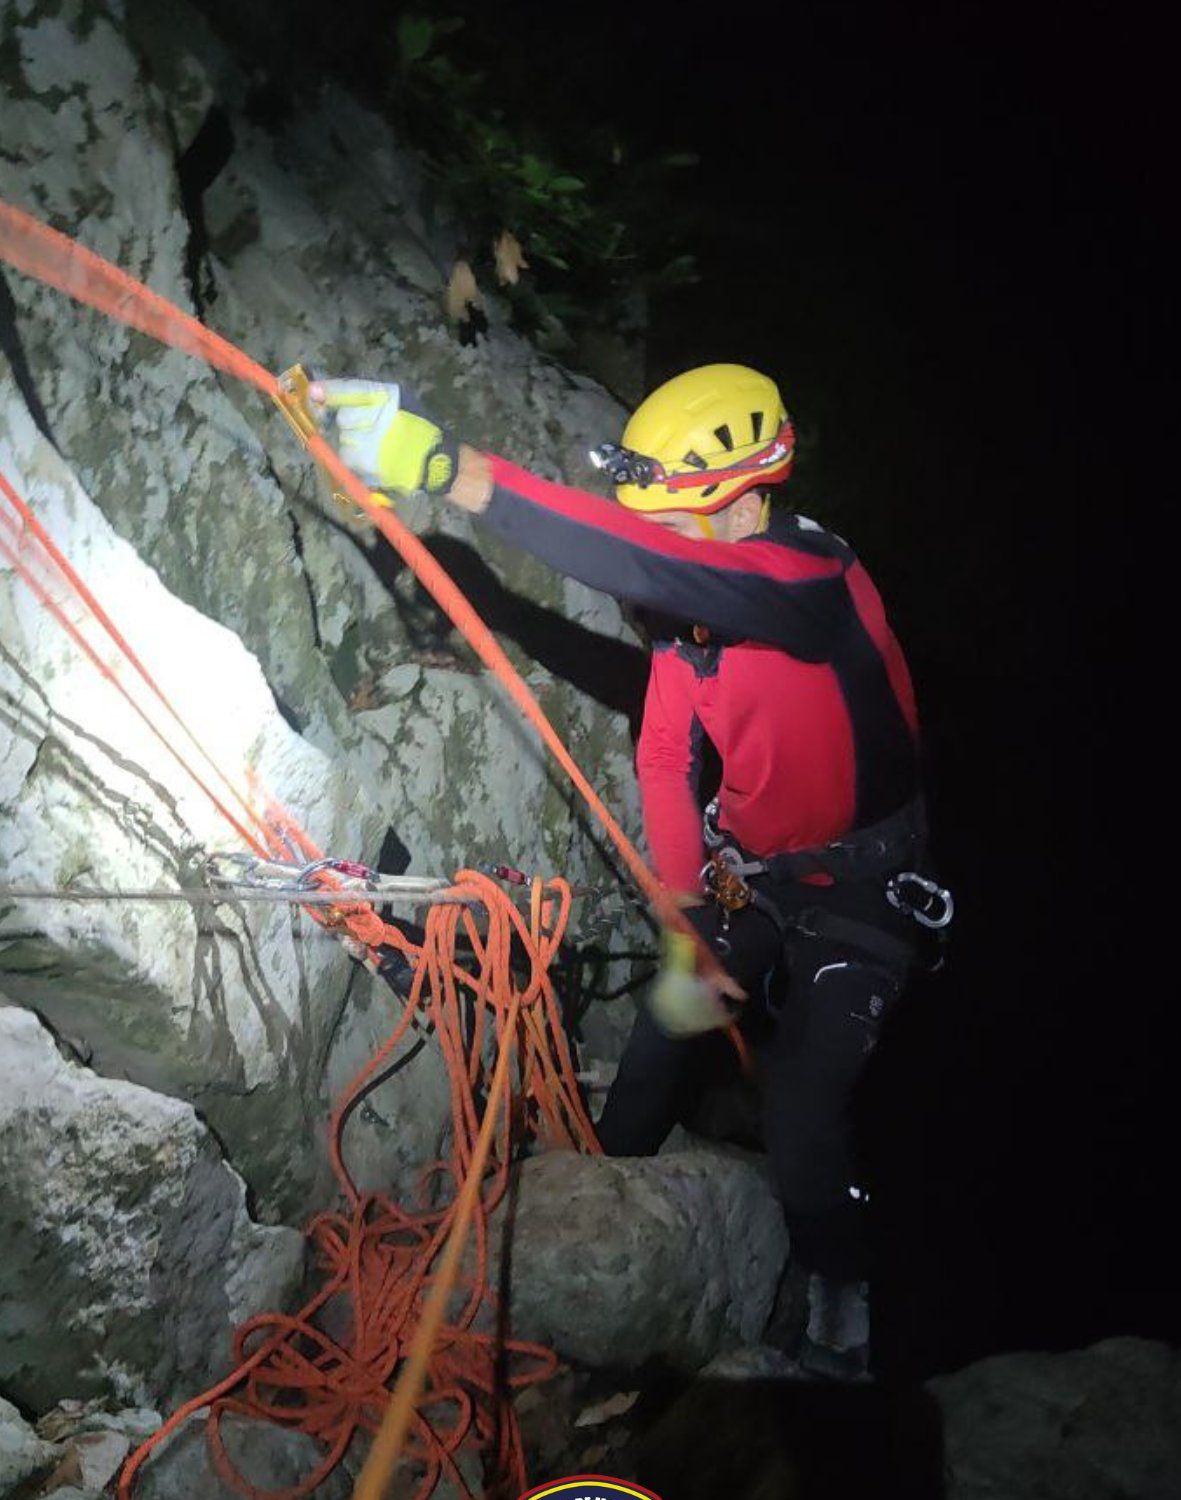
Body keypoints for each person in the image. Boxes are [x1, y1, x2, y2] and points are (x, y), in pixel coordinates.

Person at [308, 365, 949, 1377]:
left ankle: (838, 1297)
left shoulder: (809, 588)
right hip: (751, 874)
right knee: (665, 1017)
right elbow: (662, 754)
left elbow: (642, 562)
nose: (668, 550)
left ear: (743, 501)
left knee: (801, 1101)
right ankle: (604, 1184)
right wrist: (686, 909)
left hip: (860, 895)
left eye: (679, 524)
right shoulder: (692, 625)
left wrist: (445, 466)